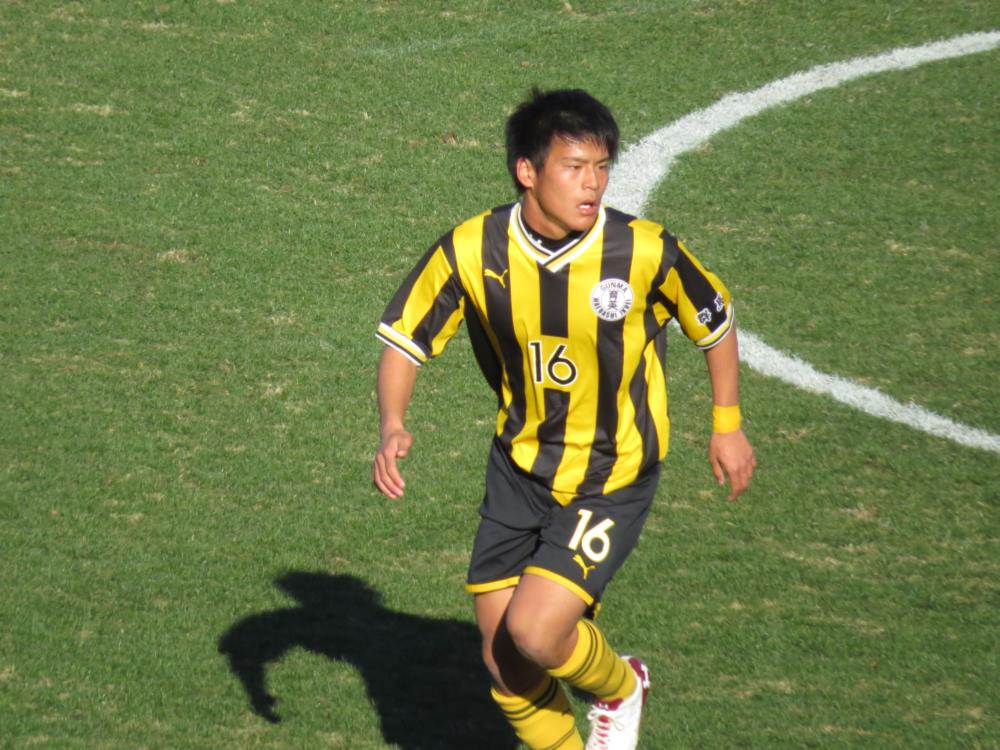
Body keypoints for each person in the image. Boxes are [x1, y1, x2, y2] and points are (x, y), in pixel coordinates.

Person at [372, 88, 756, 750]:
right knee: (504, 661)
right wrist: (392, 423)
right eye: (575, 167)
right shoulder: (472, 250)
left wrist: (727, 422)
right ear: (527, 170)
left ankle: (620, 687)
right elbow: (404, 339)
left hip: (611, 472)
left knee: (536, 631)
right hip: (519, 470)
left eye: (602, 167)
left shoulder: (642, 251)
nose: (593, 184)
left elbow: (714, 323)